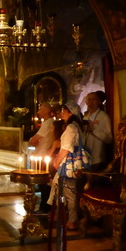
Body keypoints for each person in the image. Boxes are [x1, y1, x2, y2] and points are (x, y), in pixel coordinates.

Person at [50, 101, 88, 230]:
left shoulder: (71, 127)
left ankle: (72, 220)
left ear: (70, 112)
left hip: (69, 163)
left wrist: (57, 160)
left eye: (63, 111)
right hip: (69, 161)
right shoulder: (76, 126)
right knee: (63, 190)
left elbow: (66, 147)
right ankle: (61, 215)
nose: (61, 113)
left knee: (69, 191)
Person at [28, 102, 55, 212]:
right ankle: (45, 206)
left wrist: (31, 141)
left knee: (44, 182)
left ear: (46, 111)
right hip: (44, 154)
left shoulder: (48, 123)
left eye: (40, 109)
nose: (38, 112)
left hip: (43, 155)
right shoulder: (49, 122)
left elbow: (34, 140)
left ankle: (45, 207)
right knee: (44, 182)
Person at [83, 91, 113, 170]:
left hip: (97, 159)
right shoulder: (85, 117)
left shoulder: (104, 117)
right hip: (85, 158)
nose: (91, 102)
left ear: (99, 102)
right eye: (89, 100)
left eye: (93, 99)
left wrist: (94, 131)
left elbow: (109, 139)